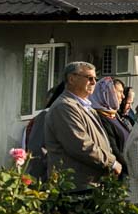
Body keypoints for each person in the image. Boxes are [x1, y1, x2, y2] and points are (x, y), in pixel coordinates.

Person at [43, 61, 123, 189]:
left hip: (91, 183)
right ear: (72, 79)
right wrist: (111, 163)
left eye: (95, 79)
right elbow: (81, 145)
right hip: (75, 186)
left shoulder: (86, 106)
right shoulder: (64, 107)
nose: (94, 82)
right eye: (89, 78)